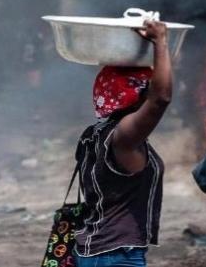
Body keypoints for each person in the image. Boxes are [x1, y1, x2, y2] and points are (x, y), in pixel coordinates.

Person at [73, 20, 171, 266]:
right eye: (146, 88)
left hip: (97, 251)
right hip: (115, 256)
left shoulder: (97, 133)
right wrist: (160, 42)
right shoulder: (124, 138)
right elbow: (161, 99)